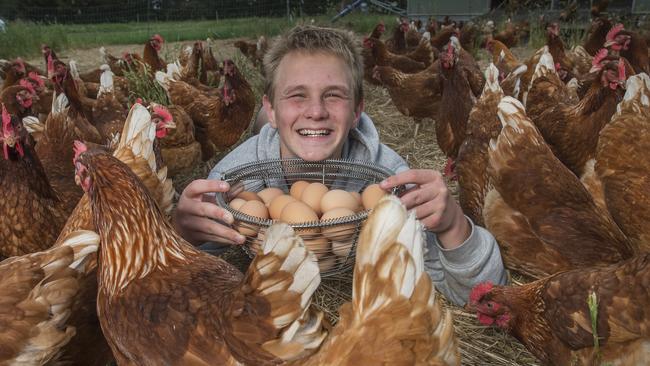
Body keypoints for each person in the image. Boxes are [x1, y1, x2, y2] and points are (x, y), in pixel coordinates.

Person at [173, 24, 507, 306]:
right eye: (297, 95)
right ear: (273, 109)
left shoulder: (389, 178)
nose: (316, 110)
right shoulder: (235, 180)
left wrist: (453, 228)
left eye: (333, 95)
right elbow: (183, 277)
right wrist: (180, 232)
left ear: (357, 110)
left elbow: (483, 293)